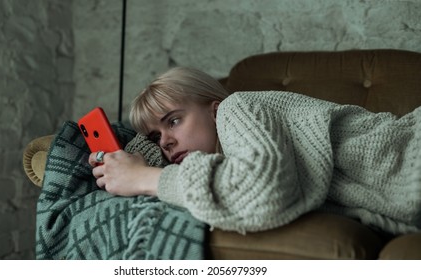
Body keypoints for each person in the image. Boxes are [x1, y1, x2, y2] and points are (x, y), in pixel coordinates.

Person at [88, 66, 421, 235]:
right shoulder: (225, 161)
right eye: (154, 137)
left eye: (173, 121)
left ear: (214, 109)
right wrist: (122, 162)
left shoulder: (238, 107)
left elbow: (263, 195)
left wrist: (147, 178)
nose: (165, 143)